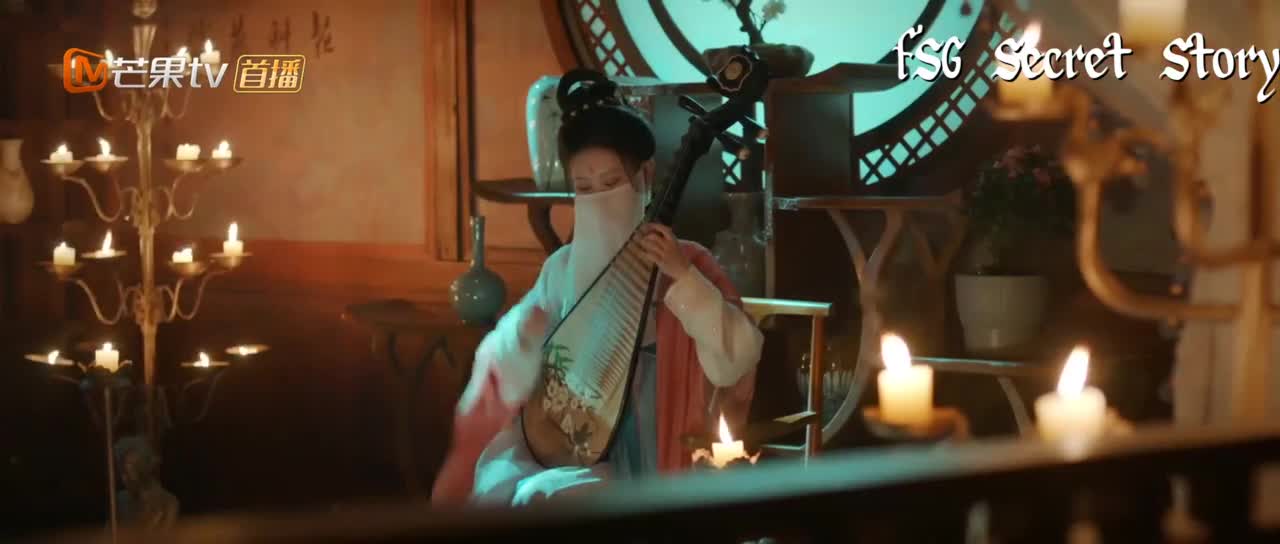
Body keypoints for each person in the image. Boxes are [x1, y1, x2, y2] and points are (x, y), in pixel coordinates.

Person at [431, 69, 764, 507]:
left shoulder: (688, 261)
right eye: (584, 189)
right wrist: (522, 341)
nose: (598, 199)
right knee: (510, 490)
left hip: (654, 449)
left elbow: (736, 359)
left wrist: (683, 277)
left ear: (645, 176)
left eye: (610, 184)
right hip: (564, 443)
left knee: (553, 500)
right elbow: (511, 353)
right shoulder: (561, 267)